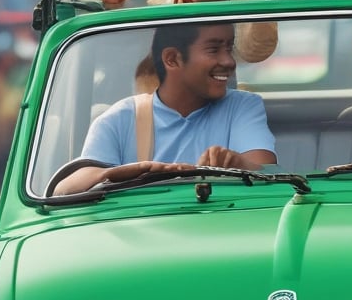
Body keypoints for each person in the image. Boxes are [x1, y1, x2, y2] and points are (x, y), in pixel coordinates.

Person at [52, 23, 277, 195]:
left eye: (229, 48)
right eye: (214, 50)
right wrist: (114, 174)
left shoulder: (243, 106)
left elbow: (271, 178)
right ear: (172, 59)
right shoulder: (118, 119)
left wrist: (237, 165)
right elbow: (62, 192)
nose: (228, 61)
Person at [100, 0, 288, 64]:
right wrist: (113, 8)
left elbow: (260, 52)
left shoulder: (259, 1)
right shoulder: (155, 18)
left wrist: (264, 1)